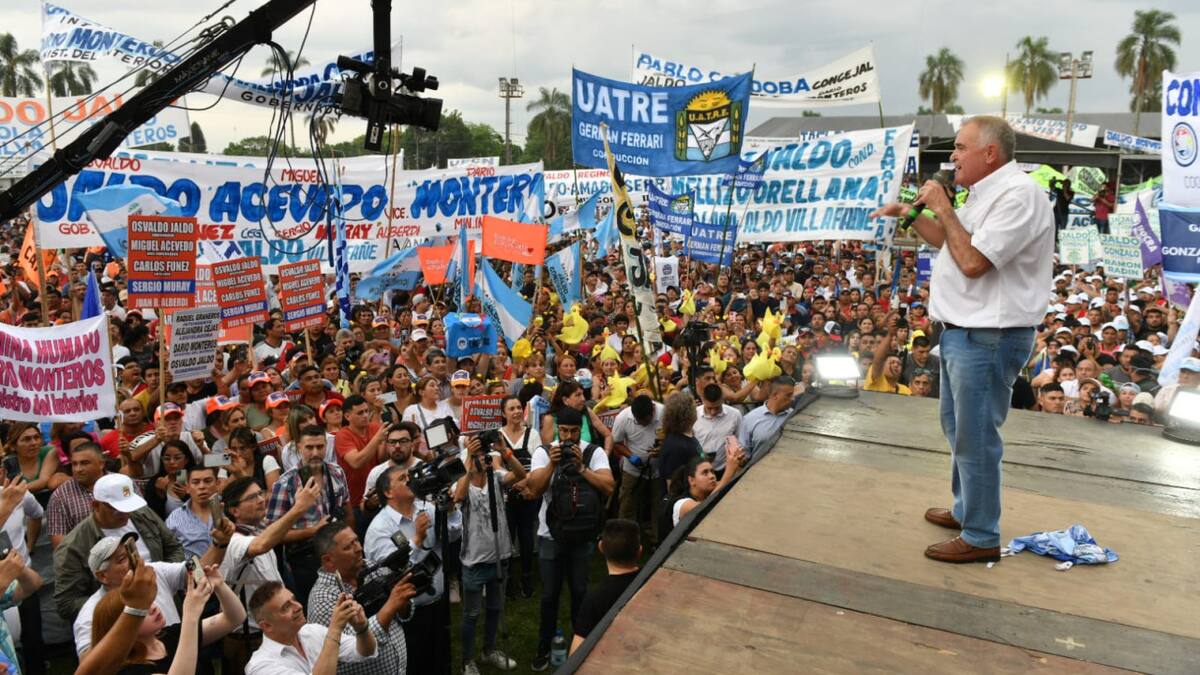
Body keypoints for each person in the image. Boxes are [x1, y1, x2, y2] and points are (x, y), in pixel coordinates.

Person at [872, 115, 1054, 564]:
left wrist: (946, 208)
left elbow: (974, 262)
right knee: (958, 430)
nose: (951, 158)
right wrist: (913, 216)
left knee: (976, 438)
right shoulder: (984, 194)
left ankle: (981, 533)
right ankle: (965, 509)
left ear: (990, 152)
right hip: (963, 333)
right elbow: (951, 244)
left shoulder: (1019, 196)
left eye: (959, 148)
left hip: (988, 336)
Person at [525, 407, 614, 671]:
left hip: (582, 533)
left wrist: (582, 468)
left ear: (581, 430)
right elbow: (534, 488)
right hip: (550, 534)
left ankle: (581, 643)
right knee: (549, 595)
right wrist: (553, 464)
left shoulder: (592, 452)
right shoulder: (544, 451)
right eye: (563, 431)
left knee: (580, 591)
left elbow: (609, 486)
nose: (568, 437)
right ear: (557, 429)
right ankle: (544, 645)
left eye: (573, 432)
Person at [218, 475, 323, 674]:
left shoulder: (259, 531)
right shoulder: (233, 541)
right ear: (234, 511)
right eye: (251, 497)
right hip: (247, 640)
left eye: (260, 493)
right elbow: (261, 546)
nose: (260, 500)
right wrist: (298, 508)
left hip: (273, 632)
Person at [363, 464, 461, 675]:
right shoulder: (380, 528)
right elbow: (390, 572)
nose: (410, 481)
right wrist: (417, 539)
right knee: (416, 664)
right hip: (408, 615)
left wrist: (451, 510)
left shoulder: (427, 508)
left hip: (439, 605)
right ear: (388, 492)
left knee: (441, 661)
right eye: (403, 478)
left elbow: (452, 535)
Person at [53, 472, 186, 619]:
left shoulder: (142, 514)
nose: (125, 513)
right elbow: (67, 603)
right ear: (96, 505)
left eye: (129, 506)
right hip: (122, 623)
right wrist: (121, 601)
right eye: (117, 509)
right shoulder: (74, 546)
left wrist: (164, 581)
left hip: (167, 608)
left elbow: (173, 547)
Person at [453, 434, 525, 675]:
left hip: (500, 555)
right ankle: (467, 660)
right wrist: (468, 460)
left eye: (484, 456)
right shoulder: (461, 481)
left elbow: (521, 475)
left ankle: (490, 649)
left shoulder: (495, 477)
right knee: (471, 613)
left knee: (496, 607)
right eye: (478, 457)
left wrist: (504, 451)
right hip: (474, 560)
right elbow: (459, 496)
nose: (483, 460)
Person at [306, 521, 416, 675]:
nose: (358, 548)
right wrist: (390, 607)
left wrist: (403, 604)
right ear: (328, 560)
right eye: (348, 547)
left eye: (356, 540)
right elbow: (354, 645)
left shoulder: (371, 567)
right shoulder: (322, 599)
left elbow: (405, 611)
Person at [265, 425, 352, 612]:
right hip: (305, 560)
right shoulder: (285, 483)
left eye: (320, 447)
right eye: (309, 447)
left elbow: (347, 509)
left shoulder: (336, 472)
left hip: (338, 553)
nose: (315, 453)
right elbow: (274, 534)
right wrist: (313, 531)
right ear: (298, 448)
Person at [246, 581, 377, 675]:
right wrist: (335, 629)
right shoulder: (260, 666)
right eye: (286, 607)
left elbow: (365, 651)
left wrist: (361, 628)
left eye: (294, 599)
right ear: (266, 626)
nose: (298, 606)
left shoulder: (312, 631)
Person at [568, 519, 641, 654]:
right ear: (640, 551)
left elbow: (576, 655)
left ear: (601, 547)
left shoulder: (594, 600)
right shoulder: (651, 583)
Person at [611, 395, 664, 546]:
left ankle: (656, 540)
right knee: (627, 503)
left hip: (658, 469)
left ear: (653, 411)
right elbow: (616, 442)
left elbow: (673, 435)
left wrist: (662, 449)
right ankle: (626, 540)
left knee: (658, 504)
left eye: (645, 421)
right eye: (638, 421)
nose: (642, 424)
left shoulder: (664, 413)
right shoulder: (623, 418)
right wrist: (631, 456)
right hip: (632, 469)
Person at [46, 442, 112, 548]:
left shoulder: (122, 483)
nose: (78, 469)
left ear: (101, 464)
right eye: (74, 464)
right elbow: (59, 543)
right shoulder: (60, 496)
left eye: (85, 463)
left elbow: (140, 521)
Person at [669, 446, 745, 527]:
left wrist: (739, 465)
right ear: (692, 480)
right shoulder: (683, 503)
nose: (712, 476)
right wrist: (729, 470)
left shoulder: (708, 493)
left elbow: (729, 484)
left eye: (712, 472)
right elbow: (704, 509)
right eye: (705, 473)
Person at [736, 376, 798, 459]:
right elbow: (744, 452)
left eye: (793, 395)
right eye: (789, 395)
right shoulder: (750, 419)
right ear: (775, 395)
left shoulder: (795, 417)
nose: (793, 399)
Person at [693, 383, 742, 473]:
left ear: (722, 400)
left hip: (726, 469)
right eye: (709, 408)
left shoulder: (735, 415)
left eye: (717, 408)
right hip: (700, 470)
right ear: (703, 399)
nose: (713, 412)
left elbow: (739, 441)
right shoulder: (693, 415)